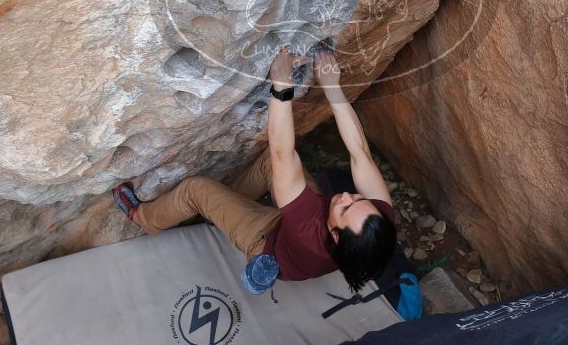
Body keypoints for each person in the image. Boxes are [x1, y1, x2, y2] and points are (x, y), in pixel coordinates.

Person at [112, 47, 396, 292]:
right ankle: (223, 209)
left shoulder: (307, 228)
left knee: (195, 190)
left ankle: (144, 218)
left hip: (271, 243)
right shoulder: (377, 224)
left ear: (335, 235)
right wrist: (332, 86)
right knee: (265, 168)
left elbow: (282, 153)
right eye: (358, 198)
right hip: (308, 241)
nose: (347, 195)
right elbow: (360, 153)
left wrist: (282, 84)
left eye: (345, 208)